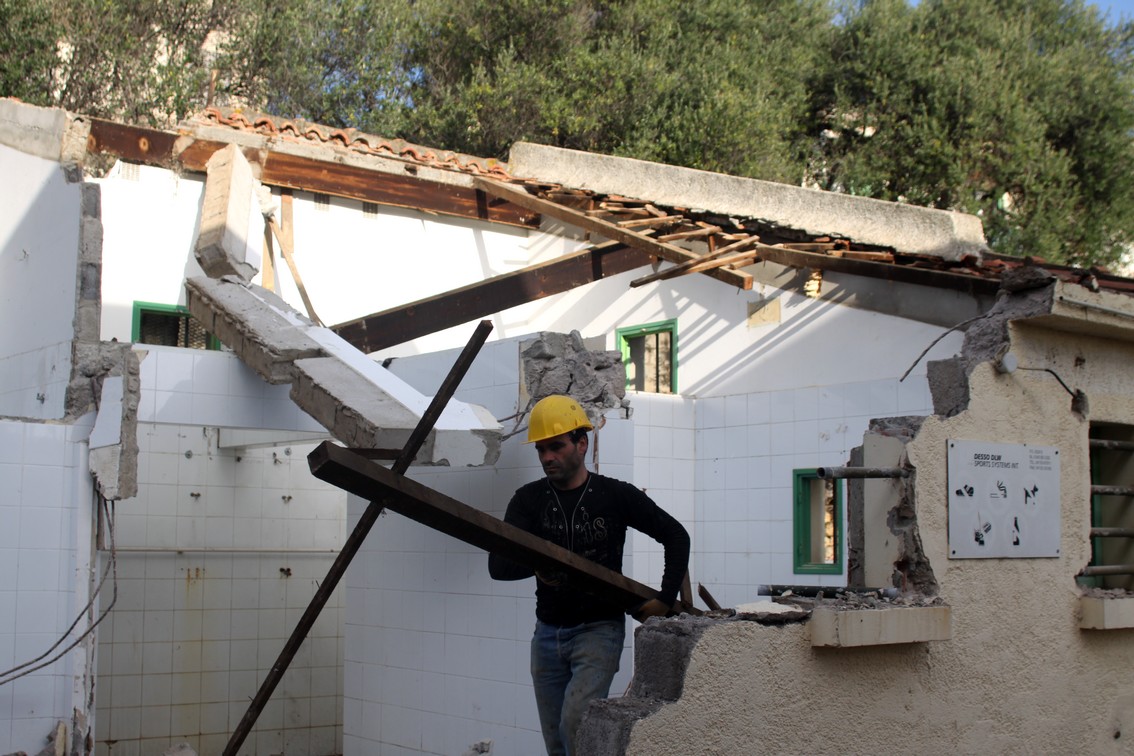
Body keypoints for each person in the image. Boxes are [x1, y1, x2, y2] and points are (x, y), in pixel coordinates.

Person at [489, 394, 690, 756]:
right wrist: (539, 565)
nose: (547, 457)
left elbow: (676, 535)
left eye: (557, 446)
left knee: (575, 724)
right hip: (547, 634)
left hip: (598, 630)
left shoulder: (613, 495)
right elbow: (498, 567)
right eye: (541, 449)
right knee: (556, 742)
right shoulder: (528, 500)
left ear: (582, 443)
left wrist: (664, 598)